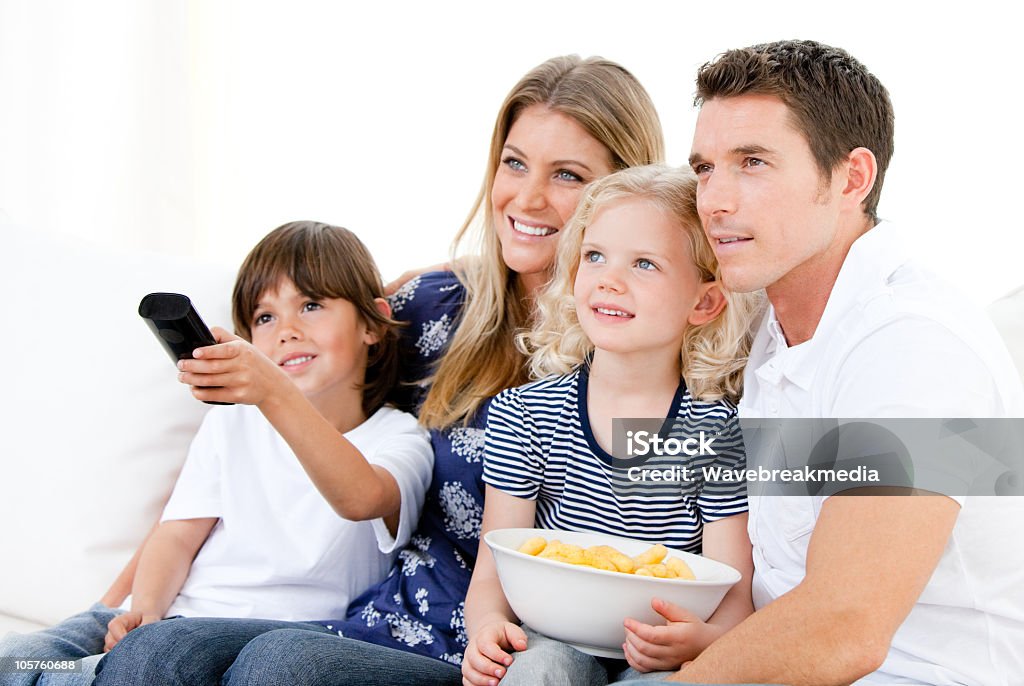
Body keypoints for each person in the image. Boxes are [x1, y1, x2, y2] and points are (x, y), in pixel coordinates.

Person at [92, 54, 666, 686]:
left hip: (495, 652)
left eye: (567, 175)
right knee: (153, 655)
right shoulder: (435, 309)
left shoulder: (650, 345)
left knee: (280, 664)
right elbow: (323, 371)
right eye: (514, 162)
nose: (526, 198)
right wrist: (111, 607)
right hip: (377, 623)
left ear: (623, 191)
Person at [618, 39, 1024, 686]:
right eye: (704, 168)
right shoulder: (780, 324)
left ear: (851, 179)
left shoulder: (914, 345)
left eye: (752, 163)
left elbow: (844, 626)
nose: (715, 200)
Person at [0, 220, 434, 686]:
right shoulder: (233, 420)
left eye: (310, 305)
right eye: (265, 318)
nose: (286, 331)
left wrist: (271, 392)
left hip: (251, 636)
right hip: (159, 616)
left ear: (372, 323)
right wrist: (142, 610)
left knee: (131, 664)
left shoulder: (401, 438)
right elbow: (177, 535)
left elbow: (361, 498)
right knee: (19, 661)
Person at [462, 165, 760, 686]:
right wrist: (486, 628)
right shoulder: (524, 414)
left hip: (660, 651)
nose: (608, 279)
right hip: (549, 639)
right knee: (540, 673)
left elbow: (734, 588)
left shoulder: (715, 433)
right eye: (594, 256)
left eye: (644, 263)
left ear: (704, 301)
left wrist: (708, 641)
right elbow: (494, 567)